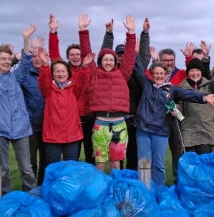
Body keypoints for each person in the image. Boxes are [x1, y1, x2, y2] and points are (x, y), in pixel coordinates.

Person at [134, 60, 214, 188]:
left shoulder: (172, 90)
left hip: (161, 131)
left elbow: (189, 94)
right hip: (143, 129)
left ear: (166, 75)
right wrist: (136, 52)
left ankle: (159, 192)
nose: (159, 76)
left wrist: (204, 98)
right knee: (143, 162)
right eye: (156, 73)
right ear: (151, 75)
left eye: (161, 73)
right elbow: (138, 69)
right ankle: (144, 191)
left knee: (158, 164)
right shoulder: (146, 85)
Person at [79, 14, 136, 172]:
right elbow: (86, 54)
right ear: (100, 61)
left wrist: (131, 33)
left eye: (111, 59)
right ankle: (100, 193)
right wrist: (83, 30)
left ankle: (115, 192)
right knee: (100, 163)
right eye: (105, 59)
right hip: (100, 125)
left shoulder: (122, 73)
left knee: (116, 163)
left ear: (115, 61)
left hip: (119, 125)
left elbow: (130, 57)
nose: (108, 62)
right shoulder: (94, 73)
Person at [100, 18, 151, 171]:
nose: (121, 57)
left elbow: (144, 55)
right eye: (119, 55)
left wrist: (145, 34)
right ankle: (118, 181)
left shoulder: (137, 70)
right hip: (117, 119)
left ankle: (132, 183)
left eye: (124, 54)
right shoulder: (111, 74)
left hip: (135, 119)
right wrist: (108, 35)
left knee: (133, 154)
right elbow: (104, 55)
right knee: (117, 156)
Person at [48, 14, 95, 165]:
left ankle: (89, 182)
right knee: (72, 157)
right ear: (68, 57)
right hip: (72, 120)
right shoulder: (64, 73)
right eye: (72, 55)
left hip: (89, 118)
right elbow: (54, 55)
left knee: (91, 154)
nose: (75, 57)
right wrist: (53, 33)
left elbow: (86, 51)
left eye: (78, 54)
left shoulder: (87, 69)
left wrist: (83, 30)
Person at [38, 48, 92, 165]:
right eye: (57, 71)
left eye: (63, 71)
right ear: (52, 74)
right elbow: (43, 81)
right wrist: (45, 65)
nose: (60, 74)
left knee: (71, 169)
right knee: (54, 170)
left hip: (72, 136)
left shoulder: (74, 89)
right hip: (52, 136)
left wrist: (84, 67)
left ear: (68, 73)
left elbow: (83, 81)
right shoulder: (48, 90)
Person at [0, 25, 37, 195]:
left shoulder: (16, 77)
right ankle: (5, 200)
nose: (7, 61)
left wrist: (26, 39)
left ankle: (31, 199)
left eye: (9, 59)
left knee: (26, 168)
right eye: (3, 59)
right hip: (1, 129)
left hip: (21, 127)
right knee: (3, 170)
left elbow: (27, 60)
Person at [175, 51, 214, 154]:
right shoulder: (181, 88)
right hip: (189, 134)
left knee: (206, 164)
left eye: (197, 70)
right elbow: (179, 108)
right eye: (192, 70)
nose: (195, 73)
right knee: (192, 166)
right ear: (188, 72)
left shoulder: (210, 86)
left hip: (207, 132)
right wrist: (176, 111)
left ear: (201, 72)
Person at [147, 47, 187, 184]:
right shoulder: (153, 75)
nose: (169, 63)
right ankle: (152, 181)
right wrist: (154, 60)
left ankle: (177, 181)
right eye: (166, 60)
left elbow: (196, 73)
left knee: (177, 151)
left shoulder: (181, 73)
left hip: (175, 118)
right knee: (156, 153)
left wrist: (188, 57)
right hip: (157, 120)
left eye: (171, 60)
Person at [19, 36, 47, 186]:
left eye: (40, 55)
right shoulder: (24, 75)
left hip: (48, 126)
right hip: (30, 126)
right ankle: (29, 191)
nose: (37, 59)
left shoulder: (50, 73)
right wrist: (28, 47)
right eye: (34, 56)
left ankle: (42, 189)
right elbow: (22, 63)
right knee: (30, 162)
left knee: (46, 160)